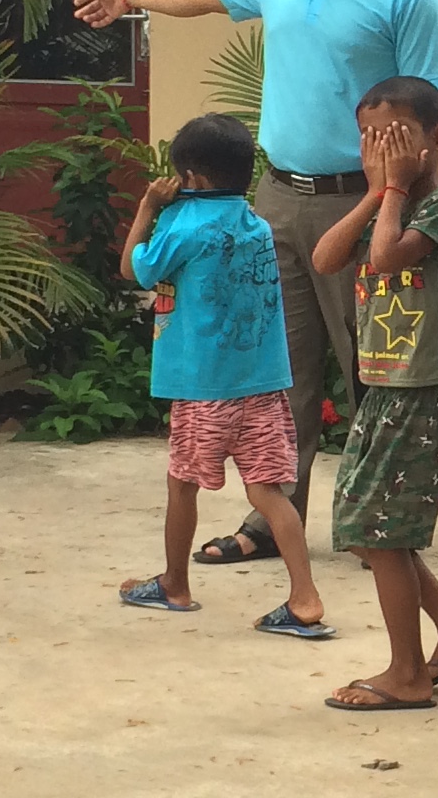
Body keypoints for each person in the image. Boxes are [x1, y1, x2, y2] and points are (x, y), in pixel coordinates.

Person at [76, 0, 438, 563]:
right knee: (280, 372)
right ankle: (274, 521)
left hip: (363, 206)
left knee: (373, 370)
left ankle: (385, 526)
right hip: (277, 202)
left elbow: (428, 116)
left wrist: (405, 208)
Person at [307, 76, 438, 711]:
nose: (380, 149)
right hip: (384, 383)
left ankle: (408, 673)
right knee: (361, 523)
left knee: (380, 529)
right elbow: (327, 257)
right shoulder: (384, 207)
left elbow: (388, 260)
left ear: (437, 139)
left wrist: (391, 191)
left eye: (395, 137)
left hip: (421, 386)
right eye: (368, 138)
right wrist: (375, 194)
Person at [117, 111, 329, 637]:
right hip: (262, 388)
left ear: (193, 179)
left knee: (181, 485)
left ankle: (174, 584)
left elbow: (133, 268)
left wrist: (148, 208)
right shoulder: (257, 225)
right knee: (268, 493)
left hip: (202, 389)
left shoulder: (181, 225)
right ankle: (305, 597)